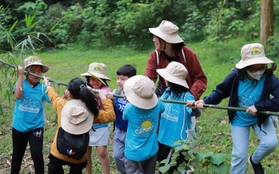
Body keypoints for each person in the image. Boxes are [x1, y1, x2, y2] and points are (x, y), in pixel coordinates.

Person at [187, 43, 279, 174]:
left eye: (261, 67)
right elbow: (221, 91)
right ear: (245, 67)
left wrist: (259, 106)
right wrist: (205, 101)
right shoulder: (235, 76)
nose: (258, 71)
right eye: (253, 68)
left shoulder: (270, 79)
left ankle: (254, 160)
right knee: (239, 154)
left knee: (271, 143)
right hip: (239, 119)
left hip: (260, 116)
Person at [44, 77, 115, 173]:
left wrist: (48, 86)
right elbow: (110, 115)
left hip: (58, 152)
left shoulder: (62, 105)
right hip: (79, 155)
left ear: (70, 94)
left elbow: (53, 96)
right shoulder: (91, 112)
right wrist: (104, 98)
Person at [156, 61, 200, 173]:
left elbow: (196, 113)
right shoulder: (168, 92)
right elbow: (158, 104)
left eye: (167, 77)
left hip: (176, 141)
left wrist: (194, 107)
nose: (164, 79)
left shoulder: (187, 96)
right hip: (162, 137)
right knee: (162, 163)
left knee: (171, 168)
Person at [145, 20, 207, 99]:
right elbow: (148, 79)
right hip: (165, 96)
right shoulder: (155, 56)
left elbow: (200, 79)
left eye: (156, 37)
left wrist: (190, 97)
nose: (154, 40)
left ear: (166, 41)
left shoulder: (188, 54)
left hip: (186, 96)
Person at [11, 56, 50, 174]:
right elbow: (18, 96)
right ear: (27, 72)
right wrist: (20, 76)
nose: (36, 74)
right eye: (33, 71)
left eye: (39, 71)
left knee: (37, 154)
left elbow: (53, 100)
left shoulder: (42, 88)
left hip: (36, 126)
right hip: (19, 126)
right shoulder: (20, 83)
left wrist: (50, 87)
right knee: (18, 154)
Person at [122, 75, 165, 174]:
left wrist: (130, 101)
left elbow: (124, 117)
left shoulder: (129, 108)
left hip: (133, 153)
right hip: (151, 151)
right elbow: (163, 108)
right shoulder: (158, 105)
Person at [81, 62, 112, 174]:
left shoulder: (106, 91)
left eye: (98, 79)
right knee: (86, 152)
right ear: (88, 79)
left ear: (103, 80)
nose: (95, 82)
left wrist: (104, 95)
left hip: (101, 124)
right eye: (92, 79)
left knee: (101, 151)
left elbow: (106, 100)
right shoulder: (84, 89)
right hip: (86, 124)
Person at [109, 64, 137, 174]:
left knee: (130, 158)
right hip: (119, 130)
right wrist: (111, 100)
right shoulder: (116, 93)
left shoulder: (136, 95)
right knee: (117, 156)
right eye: (118, 78)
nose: (119, 81)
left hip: (132, 131)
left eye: (123, 79)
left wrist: (133, 101)